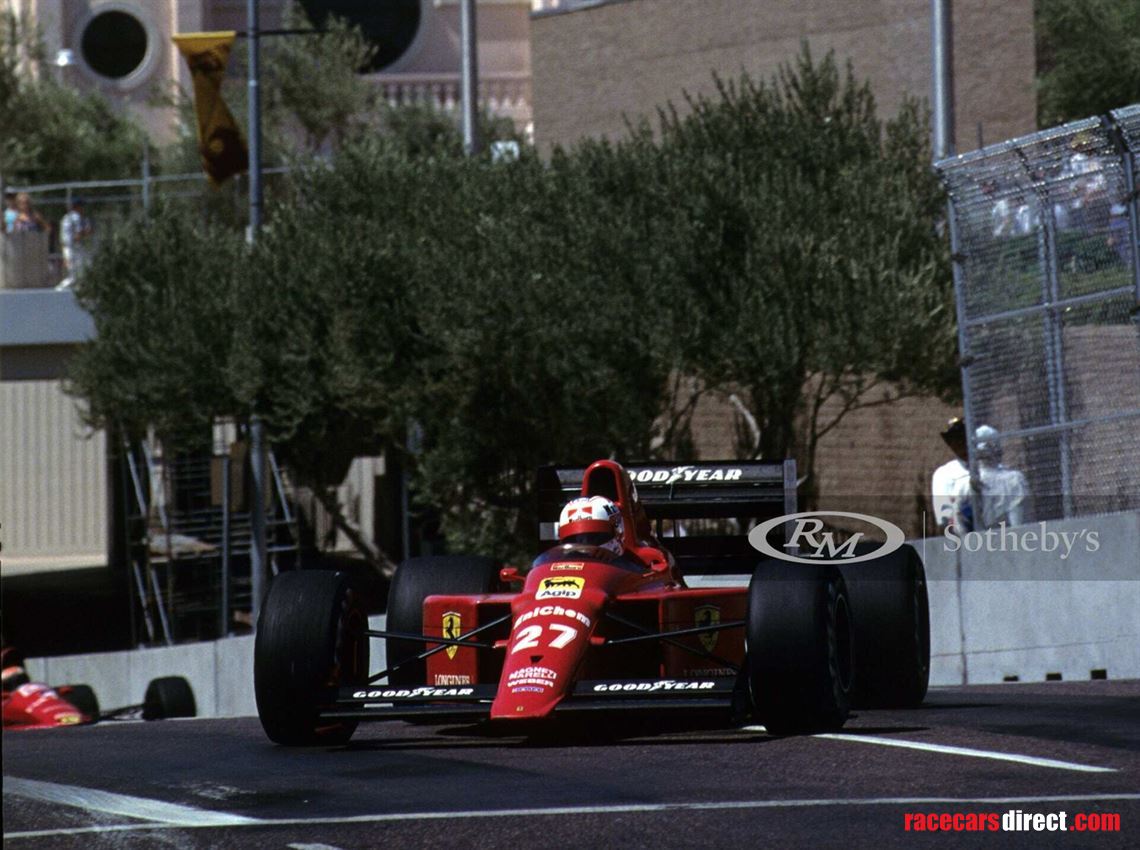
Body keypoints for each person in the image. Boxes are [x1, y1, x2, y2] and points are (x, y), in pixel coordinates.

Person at [953, 424, 1029, 531]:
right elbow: (1018, 526)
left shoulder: (961, 485)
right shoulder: (1014, 480)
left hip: (976, 543)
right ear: (997, 448)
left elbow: (960, 527)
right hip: (1008, 540)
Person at [931, 417, 970, 531]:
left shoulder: (989, 469)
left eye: (963, 438)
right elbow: (943, 515)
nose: (960, 444)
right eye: (954, 440)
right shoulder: (944, 474)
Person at [557, 495, 625, 555]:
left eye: (593, 537)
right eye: (576, 539)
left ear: (617, 532)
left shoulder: (631, 567)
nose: (585, 548)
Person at [59, 197, 92, 286]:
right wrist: (87, 232)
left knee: (76, 274)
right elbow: (78, 235)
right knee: (76, 275)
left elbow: (63, 237)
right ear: (76, 207)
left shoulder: (65, 217)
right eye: (81, 206)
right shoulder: (76, 217)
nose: (83, 208)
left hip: (67, 247)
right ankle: (60, 289)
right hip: (74, 248)